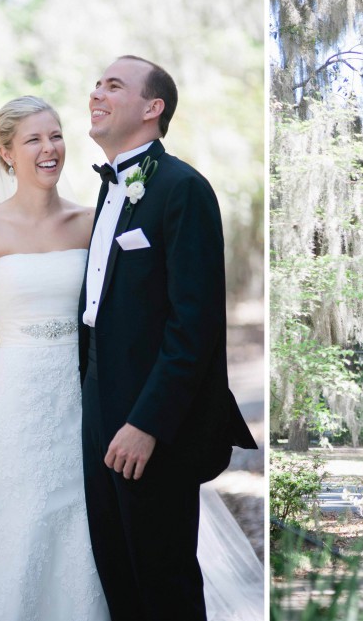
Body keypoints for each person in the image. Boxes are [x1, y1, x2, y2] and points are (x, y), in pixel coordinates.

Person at [0, 96, 262, 620]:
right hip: (18, 398)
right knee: (19, 516)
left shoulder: (96, 219)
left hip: (92, 392)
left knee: (91, 520)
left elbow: (141, 309)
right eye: (33, 139)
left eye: (56, 135)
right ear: (6, 153)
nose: (49, 148)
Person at [80, 55, 257, 620]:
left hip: (151, 427)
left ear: (152, 108)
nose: (96, 93)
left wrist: (147, 423)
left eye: (114, 85)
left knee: (164, 585)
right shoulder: (109, 193)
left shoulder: (183, 188)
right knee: (119, 579)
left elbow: (194, 325)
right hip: (97, 417)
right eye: (96, 84)